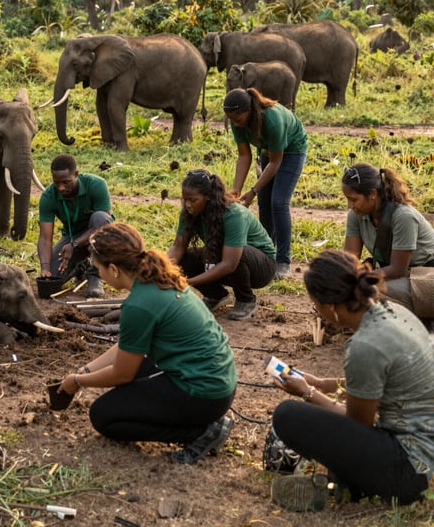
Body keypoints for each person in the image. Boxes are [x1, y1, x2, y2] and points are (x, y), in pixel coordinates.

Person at [56, 222, 237, 464]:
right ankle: (198, 421)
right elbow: (128, 348)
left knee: (103, 416)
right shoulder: (158, 278)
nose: (98, 273)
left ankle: (201, 432)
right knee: (131, 383)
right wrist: (86, 370)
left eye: (98, 268)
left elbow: (122, 374)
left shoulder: (138, 304)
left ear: (114, 269)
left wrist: (77, 382)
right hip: (217, 380)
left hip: (204, 393)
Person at [270, 249, 434, 510]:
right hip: (427, 450)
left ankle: (349, 487)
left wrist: (308, 394)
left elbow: (357, 425)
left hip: (410, 472)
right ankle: (347, 483)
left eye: (315, 305)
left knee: (287, 415)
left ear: (330, 306)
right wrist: (324, 383)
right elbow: (385, 380)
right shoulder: (392, 310)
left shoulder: (364, 345)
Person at [222, 87, 308, 281]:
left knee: (278, 202)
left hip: (292, 151)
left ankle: (283, 261)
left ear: (249, 111)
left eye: (237, 118)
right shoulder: (237, 120)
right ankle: (265, 255)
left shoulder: (272, 119)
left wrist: (252, 190)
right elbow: (244, 155)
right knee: (264, 202)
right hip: (268, 150)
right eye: (231, 119)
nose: (235, 123)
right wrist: (236, 189)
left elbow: (276, 161)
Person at [167, 169, 276, 320]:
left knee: (236, 254)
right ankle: (216, 295)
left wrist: (186, 282)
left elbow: (230, 264)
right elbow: (178, 246)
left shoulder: (234, 214)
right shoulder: (189, 213)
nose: (187, 205)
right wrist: (162, 271)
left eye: (193, 200)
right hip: (224, 257)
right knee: (183, 260)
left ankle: (246, 300)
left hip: (261, 267)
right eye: (185, 199)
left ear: (208, 198)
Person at [342, 163, 434, 319]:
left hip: (425, 276)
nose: (350, 205)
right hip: (403, 276)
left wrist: (360, 280)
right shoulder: (356, 215)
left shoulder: (403, 216)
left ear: (372, 194)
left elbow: (398, 270)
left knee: (371, 296)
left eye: (353, 199)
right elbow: (350, 260)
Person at [37, 154, 113, 298]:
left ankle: (95, 274)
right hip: (73, 238)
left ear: (76, 174)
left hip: (99, 235)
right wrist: (45, 267)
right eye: (56, 183)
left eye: (66, 182)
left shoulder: (96, 185)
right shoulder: (48, 196)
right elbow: (45, 237)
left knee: (100, 217)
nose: (61, 188)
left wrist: (74, 244)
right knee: (52, 277)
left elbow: (103, 226)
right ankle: (81, 266)